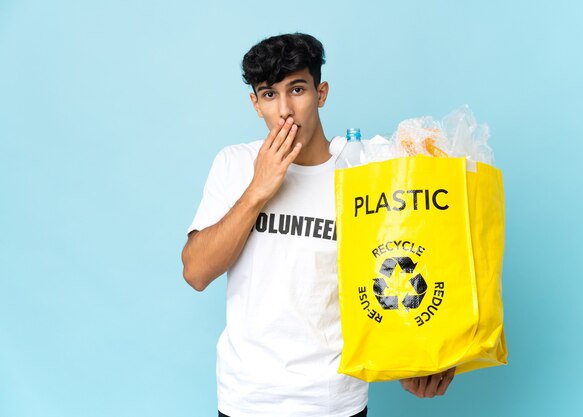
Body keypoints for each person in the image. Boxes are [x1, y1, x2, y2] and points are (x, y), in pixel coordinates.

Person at [181, 33, 455, 417]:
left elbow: (408, 260)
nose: (285, 110)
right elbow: (195, 272)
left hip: (333, 400)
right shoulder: (234, 164)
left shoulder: (363, 169)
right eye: (269, 94)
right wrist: (258, 190)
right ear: (255, 104)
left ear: (321, 93)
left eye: (297, 89)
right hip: (246, 399)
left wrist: (421, 355)